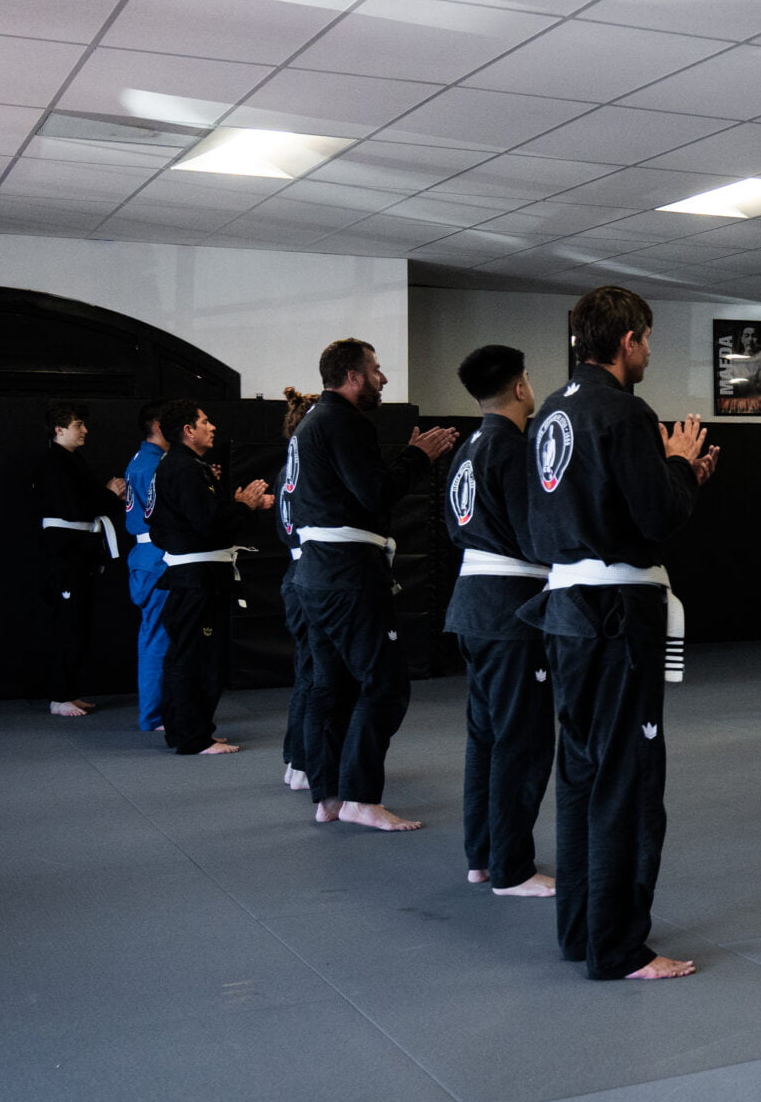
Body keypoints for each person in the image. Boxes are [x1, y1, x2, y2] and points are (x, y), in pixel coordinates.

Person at [520, 285, 717, 981]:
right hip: (615, 615)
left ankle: (581, 929)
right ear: (628, 339)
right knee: (627, 778)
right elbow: (657, 516)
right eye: (648, 339)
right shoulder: (625, 412)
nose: (650, 352)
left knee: (580, 771)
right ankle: (619, 946)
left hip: (564, 606)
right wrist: (681, 469)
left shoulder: (549, 414)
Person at [286, 338, 458, 832]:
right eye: (376, 370)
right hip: (347, 575)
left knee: (332, 684)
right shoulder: (343, 421)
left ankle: (330, 794)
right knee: (384, 685)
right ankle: (360, 796)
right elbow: (375, 493)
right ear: (354, 376)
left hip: (315, 573)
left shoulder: (309, 426)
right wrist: (416, 457)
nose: (382, 379)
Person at [442, 345, 554, 898]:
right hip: (510, 608)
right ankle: (512, 868)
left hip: (472, 604)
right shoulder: (511, 448)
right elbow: (533, 536)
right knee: (523, 741)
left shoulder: (468, 448)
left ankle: (482, 856)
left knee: (486, 737)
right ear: (519, 387)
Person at [148, 399, 271, 755]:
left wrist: (238, 507)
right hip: (196, 577)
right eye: (205, 421)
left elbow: (206, 519)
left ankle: (188, 729)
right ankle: (192, 736)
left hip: (195, 574)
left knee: (189, 654)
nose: (212, 427)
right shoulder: (184, 469)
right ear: (188, 430)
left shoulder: (180, 466)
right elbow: (208, 526)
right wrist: (243, 506)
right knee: (195, 658)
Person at [36, 402, 126, 717]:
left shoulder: (72, 461)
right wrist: (109, 494)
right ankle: (58, 696)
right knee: (67, 623)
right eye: (78, 425)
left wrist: (109, 496)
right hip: (65, 554)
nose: (84, 430)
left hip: (79, 552)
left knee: (79, 624)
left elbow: (89, 503)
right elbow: (78, 507)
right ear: (59, 429)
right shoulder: (53, 463)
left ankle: (69, 692)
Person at [274, 387, 321, 791]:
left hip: (297, 572)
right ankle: (304, 759)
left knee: (307, 668)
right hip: (311, 572)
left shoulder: (288, 468)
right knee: (315, 671)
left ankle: (297, 755)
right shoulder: (308, 467)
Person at [122, 404, 169, 731]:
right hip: (155, 555)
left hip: (147, 555)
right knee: (158, 637)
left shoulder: (142, 462)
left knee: (155, 635)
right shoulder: (152, 466)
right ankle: (154, 715)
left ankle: (159, 711)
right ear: (157, 425)